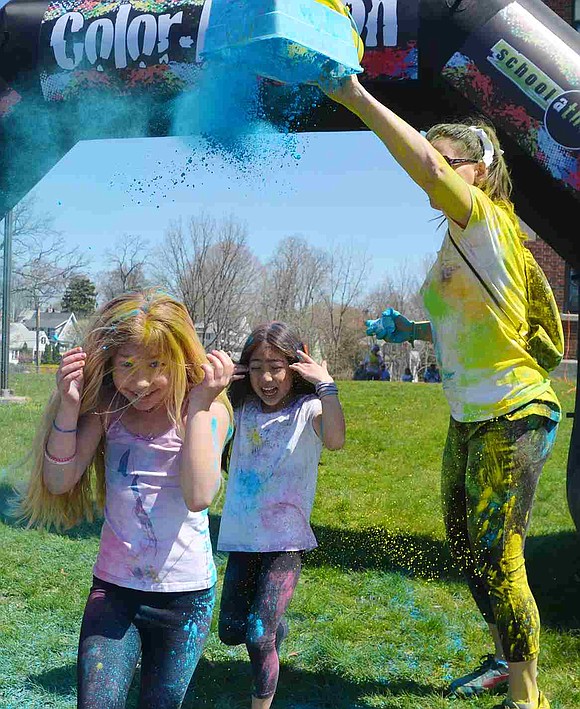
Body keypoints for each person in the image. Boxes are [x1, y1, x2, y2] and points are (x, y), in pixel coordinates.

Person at [323, 75, 561, 709]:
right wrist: (411, 330)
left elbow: (426, 168)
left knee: (499, 553)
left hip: (512, 411)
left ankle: (526, 695)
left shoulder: (485, 220)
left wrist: (356, 98)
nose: (433, 169)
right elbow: (482, 320)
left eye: (448, 160)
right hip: (470, 414)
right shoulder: (463, 237)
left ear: (477, 172)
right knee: (465, 544)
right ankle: (499, 658)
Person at [19, 289, 235, 709]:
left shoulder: (209, 410)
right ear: (110, 364)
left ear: (180, 358)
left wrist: (199, 408)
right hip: (114, 592)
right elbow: (60, 480)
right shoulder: (110, 409)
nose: (140, 381)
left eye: (156, 365)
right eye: (127, 365)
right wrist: (68, 406)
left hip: (185, 599)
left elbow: (199, 495)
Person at [217, 322, 345, 709]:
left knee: (257, 633)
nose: (266, 377)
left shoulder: (308, 409)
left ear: (295, 367)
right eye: (256, 367)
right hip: (242, 536)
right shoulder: (238, 407)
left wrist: (327, 385)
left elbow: (336, 439)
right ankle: (277, 630)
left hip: (286, 540)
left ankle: (261, 702)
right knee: (231, 631)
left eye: (276, 366)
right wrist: (217, 384)